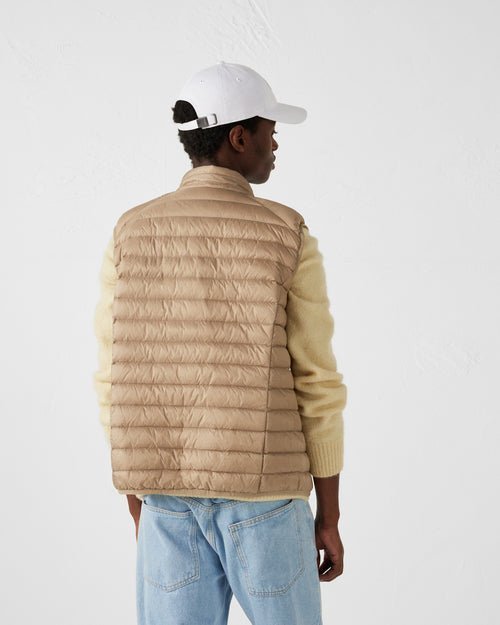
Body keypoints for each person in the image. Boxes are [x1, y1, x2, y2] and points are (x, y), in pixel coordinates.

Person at [93, 61, 347, 625]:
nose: (275, 144)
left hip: (166, 503)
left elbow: (114, 376)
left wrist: (140, 497)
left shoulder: (131, 231)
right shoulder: (287, 233)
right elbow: (317, 383)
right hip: (267, 501)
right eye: (269, 130)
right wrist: (328, 515)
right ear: (239, 137)